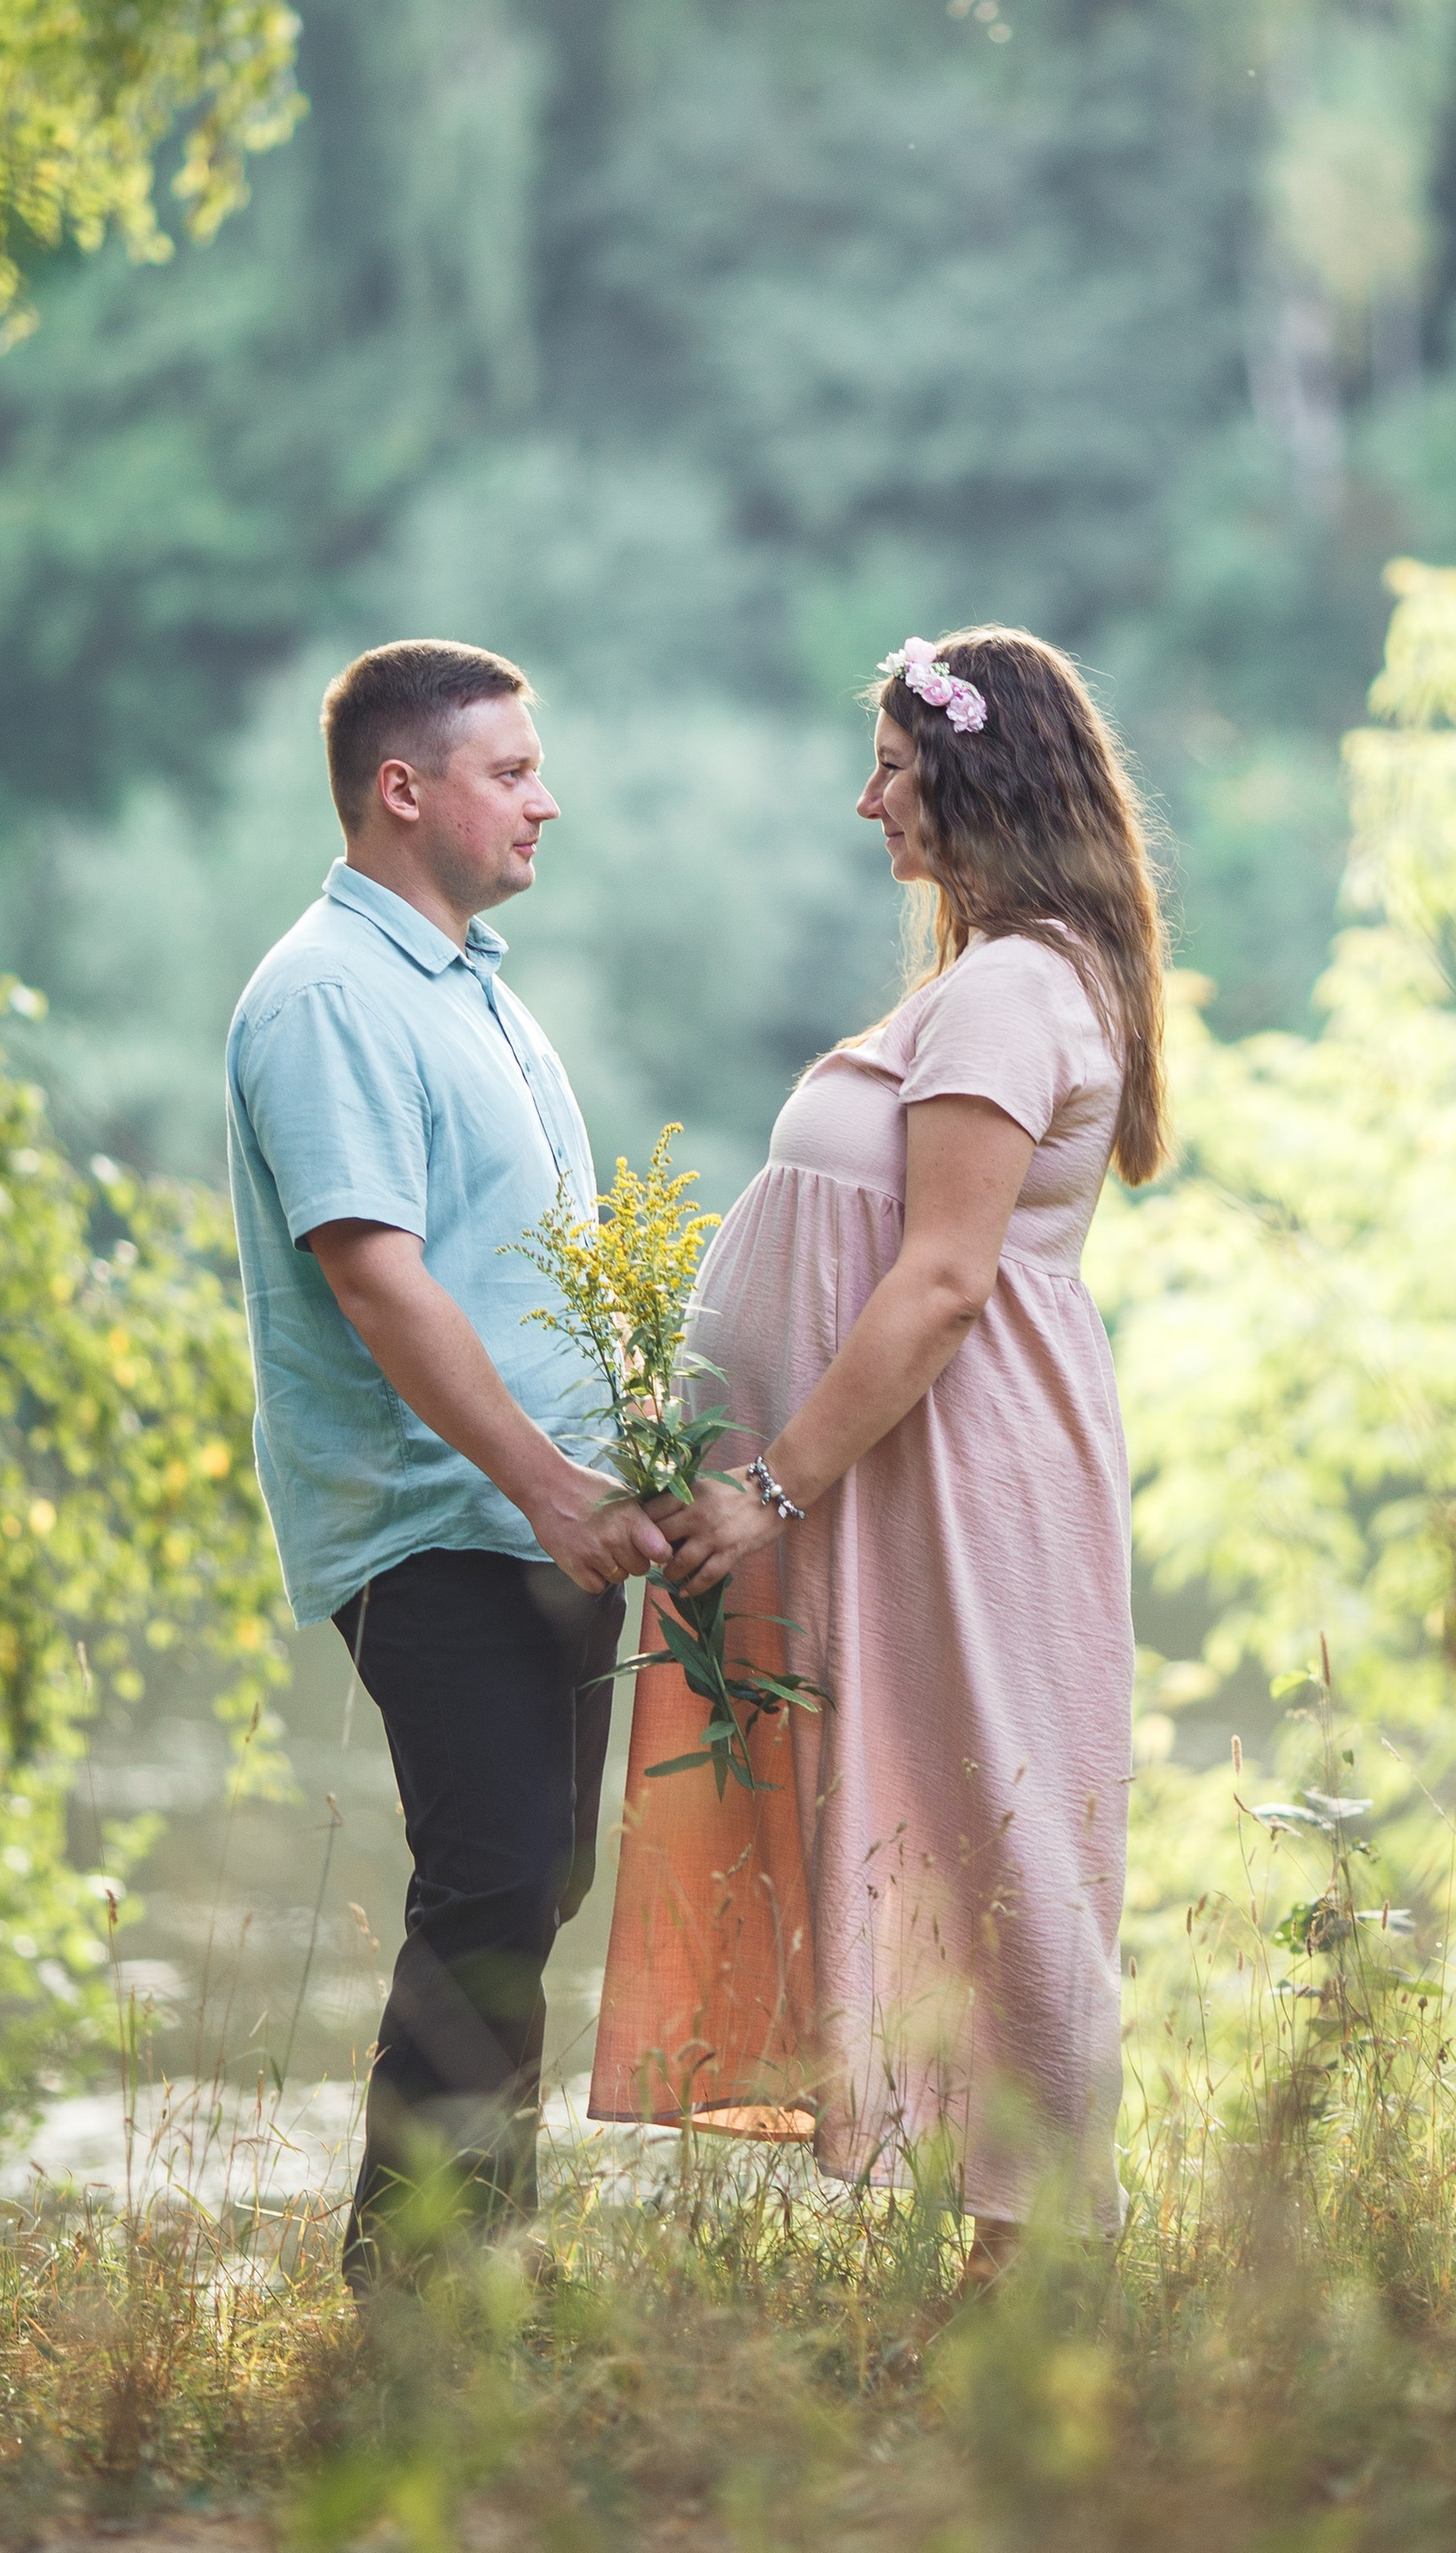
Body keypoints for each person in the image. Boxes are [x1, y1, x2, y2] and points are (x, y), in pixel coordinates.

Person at [589, 626, 1167, 2273]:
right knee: (947, 1811)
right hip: (912, 1481)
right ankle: (1003, 2255)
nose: (870, 804)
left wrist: (771, 1487)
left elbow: (937, 1282)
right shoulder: (1009, 980)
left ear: (976, 778)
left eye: (897, 773)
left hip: (947, 1483)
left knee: (1001, 1829)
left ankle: (1042, 2261)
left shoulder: (1006, 991)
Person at [225, 638, 666, 2284]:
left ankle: (483, 2266)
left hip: (540, 1524)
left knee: (530, 1884)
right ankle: (413, 2294)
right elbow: (374, 1269)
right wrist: (553, 1486)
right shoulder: (330, 995)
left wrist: (619, 1465)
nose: (546, 801)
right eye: (510, 771)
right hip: (442, 1524)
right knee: (489, 1874)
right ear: (403, 791)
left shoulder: (467, 982)